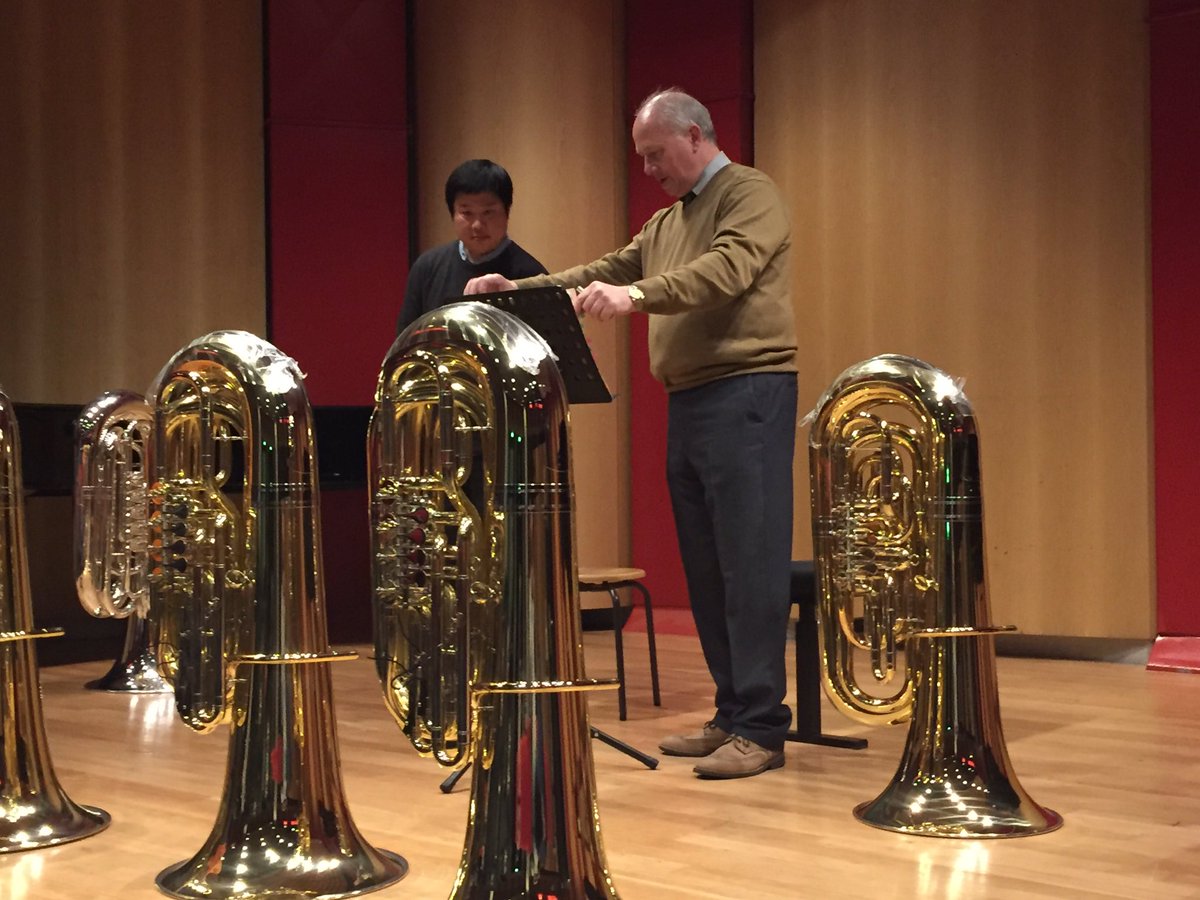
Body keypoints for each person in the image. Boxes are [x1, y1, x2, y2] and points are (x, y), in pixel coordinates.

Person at [465, 88, 797, 780]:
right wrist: (516, 293)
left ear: (696, 136)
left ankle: (763, 728)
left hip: (748, 396)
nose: (648, 169)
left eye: (655, 154)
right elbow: (606, 272)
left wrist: (638, 297)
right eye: (642, 157)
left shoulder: (750, 194)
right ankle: (732, 714)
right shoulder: (667, 221)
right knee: (707, 569)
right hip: (691, 401)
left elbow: (726, 269)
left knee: (750, 565)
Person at [398, 158, 547, 333]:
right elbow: (406, 337)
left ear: (507, 212)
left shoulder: (531, 275)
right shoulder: (427, 266)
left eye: (488, 212)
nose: (477, 224)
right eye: (466, 213)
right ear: (452, 213)